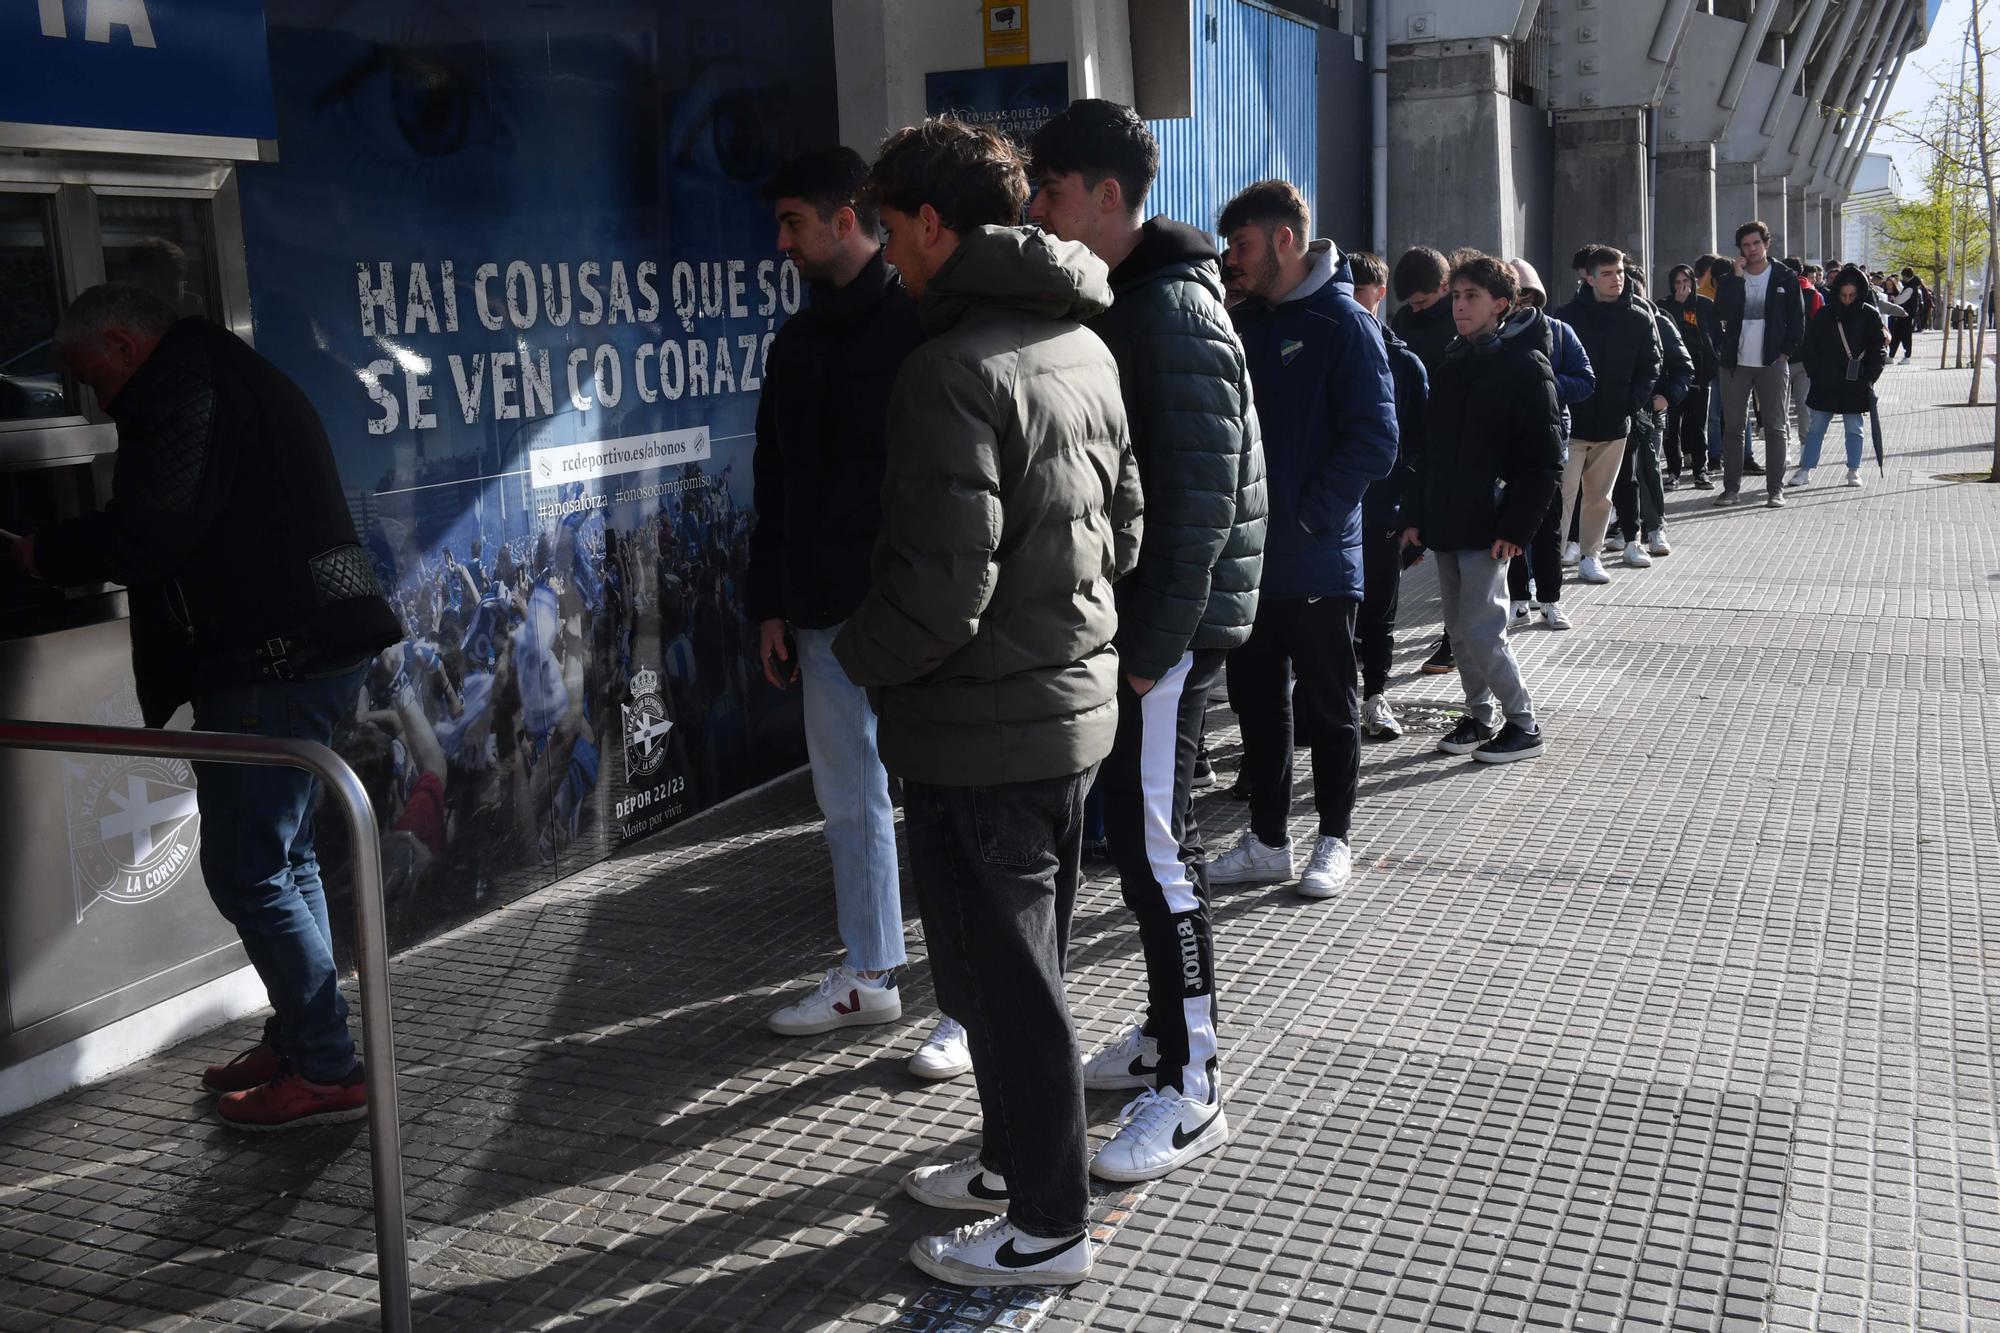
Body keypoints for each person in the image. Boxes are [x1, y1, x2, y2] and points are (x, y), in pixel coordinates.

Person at [832, 117, 1142, 1289]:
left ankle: (1047, 1226)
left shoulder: (946, 368)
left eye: (887, 226)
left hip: (982, 730)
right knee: (1017, 968)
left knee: (1006, 987)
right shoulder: (1080, 341)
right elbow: (1126, 530)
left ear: (930, 223)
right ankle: (1010, 1169)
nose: (883, 251)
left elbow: (939, 590)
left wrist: (858, 654)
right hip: (1061, 712)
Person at [5, 284, 402, 1130]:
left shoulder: (181, 386)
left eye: (90, 380)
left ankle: (326, 1068)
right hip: (307, 652)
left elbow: (150, 530)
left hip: (271, 663)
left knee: (248, 869)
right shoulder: (224, 368)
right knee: (284, 861)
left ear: (121, 344)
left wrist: (45, 553)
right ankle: (306, 1039)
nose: (96, 403)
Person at [1026, 99, 1267, 1182]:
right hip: (1146, 632)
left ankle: (1194, 1086)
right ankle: (1167, 1039)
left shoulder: (1170, 310)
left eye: (1052, 191)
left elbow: (1199, 506)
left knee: (1159, 848)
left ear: (1108, 197)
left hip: (1162, 636)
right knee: (1137, 838)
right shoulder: (1139, 297)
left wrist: (1149, 648)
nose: (1037, 209)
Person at [744, 149, 969, 1077]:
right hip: (823, 613)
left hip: (914, 607)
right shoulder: (795, 342)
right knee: (850, 801)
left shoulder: (920, 322)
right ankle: (873, 971)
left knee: (954, 801)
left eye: (795, 221)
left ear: (848, 219)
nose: (782, 243)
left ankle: (968, 1003)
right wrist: (769, 606)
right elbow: (774, 483)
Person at [1206, 180, 1396, 899]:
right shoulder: (1245, 319)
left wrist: (1313, 517)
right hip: (1251, 560)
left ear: (1284, 240)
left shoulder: (1345, 324)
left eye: (1244, 245)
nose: (1234, 259)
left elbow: (1375, 439)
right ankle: (1266, 839)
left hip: (1318, 555)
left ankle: (1335, 839)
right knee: (1257, 701)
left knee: (1329, 703)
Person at [1401, 254, 1560, 762]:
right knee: (1457, 628)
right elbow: (1429, 451)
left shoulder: (1526, 366)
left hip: (1490, 523)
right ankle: (1479, 714)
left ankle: (1523, 723)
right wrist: (1417, 518)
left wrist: (1517, 526)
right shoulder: (1452, 364)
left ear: (1501, 305)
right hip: (1448, 519)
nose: (1460, 307)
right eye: (1457, 297)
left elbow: (1543, 460)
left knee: (1483, 628)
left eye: (1471, 297)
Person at [1344, 250, 1427, 733]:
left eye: (1361, 290)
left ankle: (1376, 697)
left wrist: (1413, 514)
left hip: (1382, 512)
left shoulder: (1405, 363)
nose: (1353, 299)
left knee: (1379, 612)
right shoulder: (1323, 349)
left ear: (1379, 292)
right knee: (1332, 618)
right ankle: (1323, 700)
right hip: (1332, 512)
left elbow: (1421, 445)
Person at [1555, 245, 1661, 585]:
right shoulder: (1567, 317)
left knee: (1601, 498)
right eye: (1607, 274)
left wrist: (1632, 402)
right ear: (1589, 278)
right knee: (1563, 495)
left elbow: (1651, 364)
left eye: (1619, 272)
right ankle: (1550, 559)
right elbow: (1553, 364)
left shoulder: (1639, 316)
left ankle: (1591, 556)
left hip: (1615, 424)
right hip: (1573, 424)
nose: (1616, 279)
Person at [1499, 258, 1592, 630]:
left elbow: (1586, 379)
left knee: (1549, 526)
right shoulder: (1494, 335)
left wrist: (1547, 387)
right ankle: (1518, 599)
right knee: (1510, 524)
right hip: (1505, 447)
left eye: (1528, 294)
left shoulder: (1560, 331)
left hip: (1551, 444)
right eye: (1514, 294)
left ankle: (1551, 600)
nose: (1522, 302)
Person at [1388, 245, 1457, 675]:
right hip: (1413, 451)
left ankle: (1453, 640)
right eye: (1410, 302)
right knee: (1401, 544)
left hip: (1451, 451)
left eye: (1424, 301)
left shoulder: (1459, 319)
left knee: (1452, 556)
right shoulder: (1402, 321)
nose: (1415, 308)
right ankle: (1371, 632)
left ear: (1444, 288)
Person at [1712, 221, 1806, 508]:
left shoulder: (1784, 277)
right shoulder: (1730, 279)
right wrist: (1738, 278)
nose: (1751, 249)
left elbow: (1798, 320)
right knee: (1733, 428)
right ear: (1739, 249)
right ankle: (1731, 490)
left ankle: (1775, 490)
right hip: (1735, 364)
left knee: (1775, 428)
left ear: (1766, 244)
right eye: (1745, 245)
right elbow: (1720, 314)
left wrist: (1785, 353)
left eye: (1756, 243)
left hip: (1772, 363)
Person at [1610, 267, 1690, 563]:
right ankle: (1626, 527)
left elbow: (1684, 366)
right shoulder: (1610, 322)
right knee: (1620, 473)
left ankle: (1655, 527)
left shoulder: (1658, 322)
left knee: (1647, 468)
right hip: (1617, 410)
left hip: (1650, 412)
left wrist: (1667, 397)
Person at [1788, 266, 1887, 489]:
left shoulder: (1869, 314)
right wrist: (1815, 373)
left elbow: (1878, 347)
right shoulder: (1825, 314)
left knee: (1854, 427)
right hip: (1826, 380)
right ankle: (1806, 469)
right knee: (1816, 428)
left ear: (1859, 293)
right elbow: (1811, 346)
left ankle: (1854, 470)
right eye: (1843, 295)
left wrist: (1870, 376)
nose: (1847, 300)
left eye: (1852, 296)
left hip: (1856, 380)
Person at [1658, 262, 1719, 490]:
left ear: (1693, 283)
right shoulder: (1665, 306)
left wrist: (1715, 361)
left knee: (1697, 426)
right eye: (1677, 283)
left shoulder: (1704, 304)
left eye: (1686, 282)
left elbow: (1714, 335)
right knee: (1672, 427)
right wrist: (1679, 306)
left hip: (1700, 375)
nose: (1682, 287)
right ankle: (1673, 471)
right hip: (1673, 375)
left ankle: (1700, 471)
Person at [1885, 274, 1918, 362]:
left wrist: (1895, 299)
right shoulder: (1909, 287)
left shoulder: (1910, 288)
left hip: (1905, 316)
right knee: (1896, 336)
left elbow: (1899, 300)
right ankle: (1891, 355)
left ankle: (1907, 356)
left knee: (1905, 337)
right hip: (1902, 316)